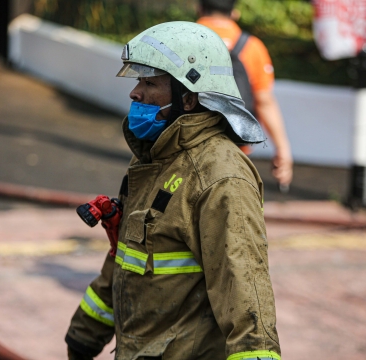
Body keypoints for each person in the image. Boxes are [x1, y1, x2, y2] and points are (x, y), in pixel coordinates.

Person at [65, 21, 280, 360]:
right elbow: (127, 260)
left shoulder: (221, 176)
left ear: (189, 98)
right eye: (138, 81)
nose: (135, 93)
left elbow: (245, 292)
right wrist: (83, 336)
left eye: (150, 83)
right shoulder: (156, 161)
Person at [197, 0, 293, 188]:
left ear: (199, 8)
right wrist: (283, 149)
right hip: (233, 151)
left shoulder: (182, 39)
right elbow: (264, 101)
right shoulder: (252, 46)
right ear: (235, 13)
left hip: (186, 145)